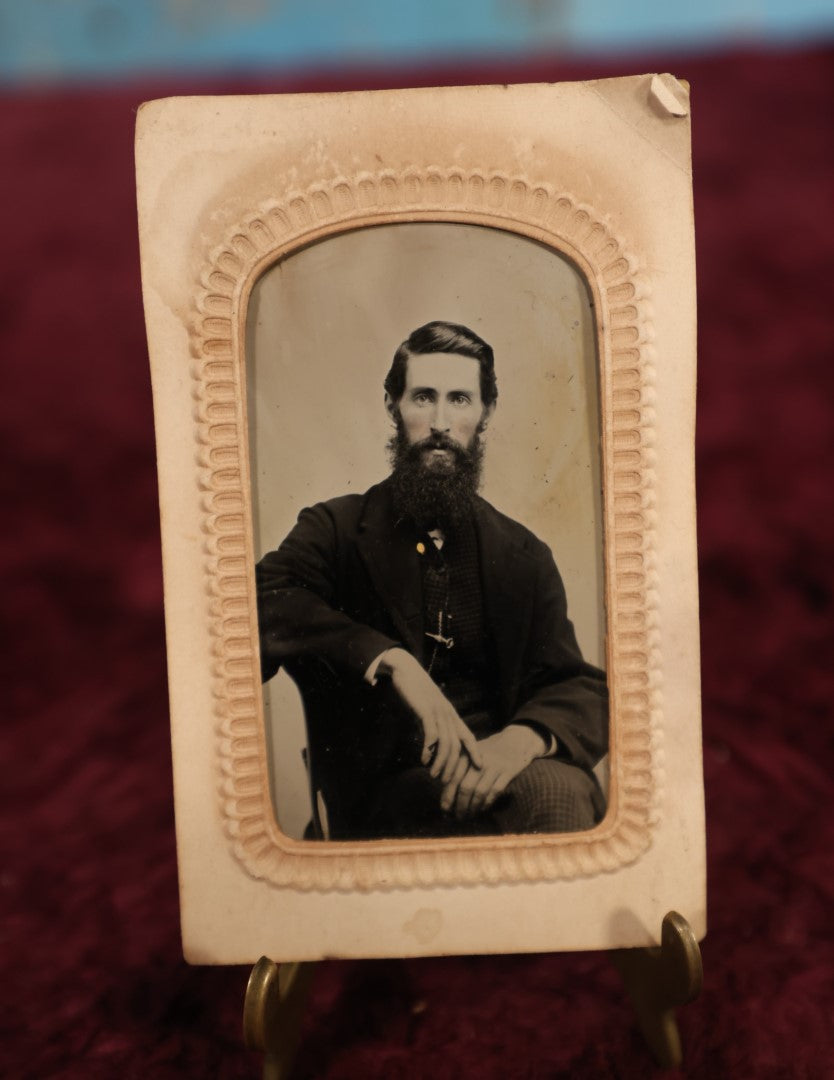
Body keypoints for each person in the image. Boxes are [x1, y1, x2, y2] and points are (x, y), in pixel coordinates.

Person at [256, 321, 608, 840]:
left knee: (561, 791)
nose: (440, 422)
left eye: (460, 400)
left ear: (486, 411)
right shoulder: (335, 530)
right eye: (423, 397)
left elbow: (577, 685)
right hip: (380, 798)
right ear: (392, 405)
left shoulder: (523, 556)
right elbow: (257, 604)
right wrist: (389, 660)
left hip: (498, 777)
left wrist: (520, 741)